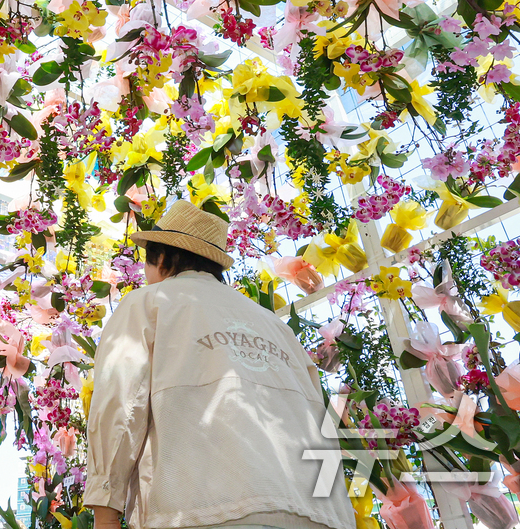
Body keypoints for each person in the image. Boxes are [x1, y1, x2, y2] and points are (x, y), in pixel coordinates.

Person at [84, 201, 356, 529]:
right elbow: (318, 421)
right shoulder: (275, 327)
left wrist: (105, 509)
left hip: (203, 508)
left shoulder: (149, 302)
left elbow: (120, 402)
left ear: (163, 259)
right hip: (318, 512)